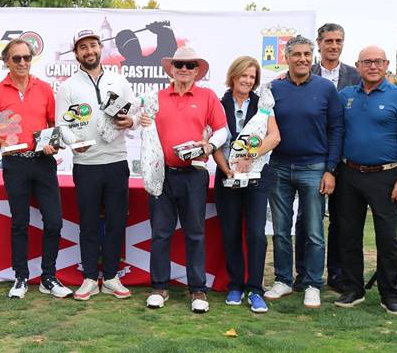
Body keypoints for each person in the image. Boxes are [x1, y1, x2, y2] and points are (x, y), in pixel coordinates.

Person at [0, 38, 72, 299]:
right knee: (19, 223)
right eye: (16, 58)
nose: (22, 62)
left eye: (27, 58)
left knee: (53, 221)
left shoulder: (44, 89)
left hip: (43, 163)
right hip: (15, 163)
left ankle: (48, 277)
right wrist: (4, 142)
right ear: (6, 61)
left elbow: (55, 126)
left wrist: (54, 144)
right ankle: (20, 277)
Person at [139, 46, 228, 313]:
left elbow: (222, 130)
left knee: (195, 234)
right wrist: (141, 119)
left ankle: (198, 290)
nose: (184, 69)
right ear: (172, 68)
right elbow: (136, 123)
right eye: (180, 64)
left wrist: (209, 146)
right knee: (161, 233)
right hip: (161, 173)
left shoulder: (207, 96)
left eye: (190, 65)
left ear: (197, 70)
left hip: (194, 175)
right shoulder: (156, 96)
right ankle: (159, 287)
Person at [334, 46, 397, 315]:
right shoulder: (346, 96)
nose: (373, 66)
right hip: (349, 174)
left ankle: (389, 293)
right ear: (357, 66)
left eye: (378, 61)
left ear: (386, 65)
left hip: (385, 176)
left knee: (386, 238)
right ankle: (353, 289)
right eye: (367, 62)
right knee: (348, 235)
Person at [56, 29, 138, 301]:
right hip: (86, 163)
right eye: (83, 48)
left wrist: (131, 122)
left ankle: (112, 277)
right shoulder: (68, 86)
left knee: (116, 222)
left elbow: (135, 115)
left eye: (93, 45)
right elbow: (61, 125)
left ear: (100, 47)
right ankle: (91, 277)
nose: (89, 51)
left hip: (116, 161)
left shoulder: (119, 80)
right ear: (76, 53)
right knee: (88, 223)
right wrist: (72, 143)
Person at [264, 35, 343, 309]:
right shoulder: (273, 88)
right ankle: (284, 279)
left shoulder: (325, 89)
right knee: (282, 230)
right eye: (297, 54)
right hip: (279, 167)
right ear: (286, 57)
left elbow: (336, 130)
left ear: (313, 57)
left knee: (313, 231)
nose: (303, 59)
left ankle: (312, 283)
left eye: (307, 54)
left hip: (314, 168)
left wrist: (330, 169)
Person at [293, 23, 361, 293]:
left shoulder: (356, 75)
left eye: (339, 41)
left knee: (342, 219)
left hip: (347, 160)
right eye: (329, 41)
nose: (334, 45)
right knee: (307, 220)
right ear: (318, 44)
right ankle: (303, 275)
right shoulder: (305, 73)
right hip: (313, 161)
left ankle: (337, 274)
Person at [212, 56, 280, 313]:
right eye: (244, 76)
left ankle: (255, 289)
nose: (248, 81)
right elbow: (214, 142)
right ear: (233, 76)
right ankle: (236, 285)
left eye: (252, 77)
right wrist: (226, 169)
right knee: (230, 233)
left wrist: (252, 155)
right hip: (227, 177)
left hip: (256, 178)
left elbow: (275, 136)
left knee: (255, 234)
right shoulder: (219, 104)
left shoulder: (264, 106)